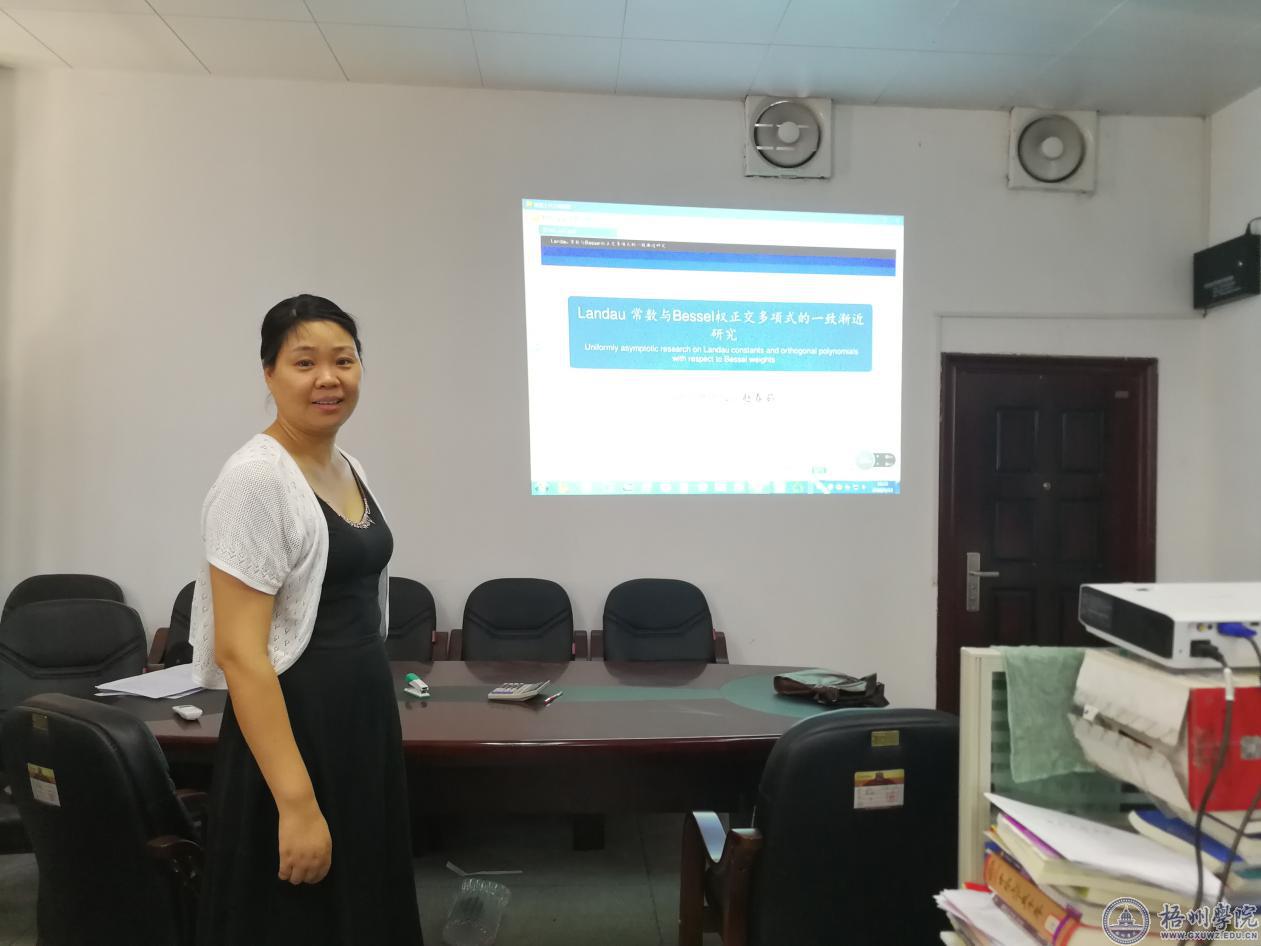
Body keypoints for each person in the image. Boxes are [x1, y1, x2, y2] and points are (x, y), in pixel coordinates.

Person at [189, 294, 423, 945]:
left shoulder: (346, 466)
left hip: (359, 723)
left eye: (344, 360)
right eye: (304, 363)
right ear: (269, 374)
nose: (329, 378)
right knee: (299, 917)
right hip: (294, 734)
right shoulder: (254, 480)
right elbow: (241, 654)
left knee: (364, 901)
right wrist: (295, 804)